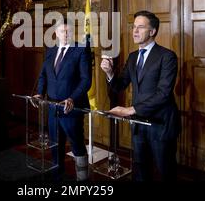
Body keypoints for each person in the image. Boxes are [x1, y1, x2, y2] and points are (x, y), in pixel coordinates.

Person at [100, 10, 180, 181]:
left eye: (140, 27)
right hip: (139, 124)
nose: (135, 31)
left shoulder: (167, 57)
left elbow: (163, 94)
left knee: (165, 171)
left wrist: (130, 109)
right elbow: (119, 86)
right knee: (140, 171)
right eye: (134, 27)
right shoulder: (133, 56)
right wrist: (109, 73)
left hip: (161, 124)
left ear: (152, 31)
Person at [34, 18, 91, 181]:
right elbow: (44, 75)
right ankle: (57, 178)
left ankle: (83, 181)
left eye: (69, 31)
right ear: (56, 33)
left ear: (73, 32)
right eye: (62, 31)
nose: (65, 34)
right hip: (52, 107)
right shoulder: (50, 50)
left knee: (77, 145)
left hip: (71, 107)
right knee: (55, 146)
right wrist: (40, 93)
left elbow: (86, 80)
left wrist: (72, 98)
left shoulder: (80, 50)